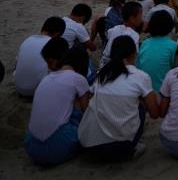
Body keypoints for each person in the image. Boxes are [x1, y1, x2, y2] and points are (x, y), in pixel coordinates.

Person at [79, 35, 159, 160]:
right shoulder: (140, 76)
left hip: (89, 145)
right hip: (121, 148)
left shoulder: (102, 74)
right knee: (140, 107)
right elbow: (154, 113)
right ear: (134, 53)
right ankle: (133, 147)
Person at [24, 38, 90, 166]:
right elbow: (86, 111)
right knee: (77, 102)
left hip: (31, 146)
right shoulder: (78, 79)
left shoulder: (46, 78)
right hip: (58, 146)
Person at [14, 16, 65, 97]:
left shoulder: (28, 39)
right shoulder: (52, 44)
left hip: (18, 87)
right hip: (37, 90)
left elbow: (16, 65)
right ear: (57, 33)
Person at [137, 10, 178, 92]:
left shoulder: (144, 43)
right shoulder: (173, 45)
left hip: (143, 89)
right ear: (169, 26)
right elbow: (176, 68)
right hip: (163, 92)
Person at [100, 1, 142, 66]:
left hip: (104, 63)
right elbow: (133, 57)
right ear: (132, 18)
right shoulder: (134, 35)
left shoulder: (114, 29)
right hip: (118, 66)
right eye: (140, 15)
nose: (141, 19)